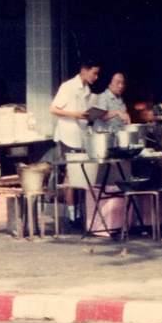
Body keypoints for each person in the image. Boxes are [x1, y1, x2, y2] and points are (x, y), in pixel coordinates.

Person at [49, 59, 101, 227]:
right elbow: (53, 109)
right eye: (94, 73)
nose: (96, 77)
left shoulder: (87, 90)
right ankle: (72, 215)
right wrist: (74, 114)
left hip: (81, 136)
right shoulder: (68, 86)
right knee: (71, 174)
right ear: (84, 71)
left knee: (82, 173)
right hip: (68, 136)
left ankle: (80, 213)